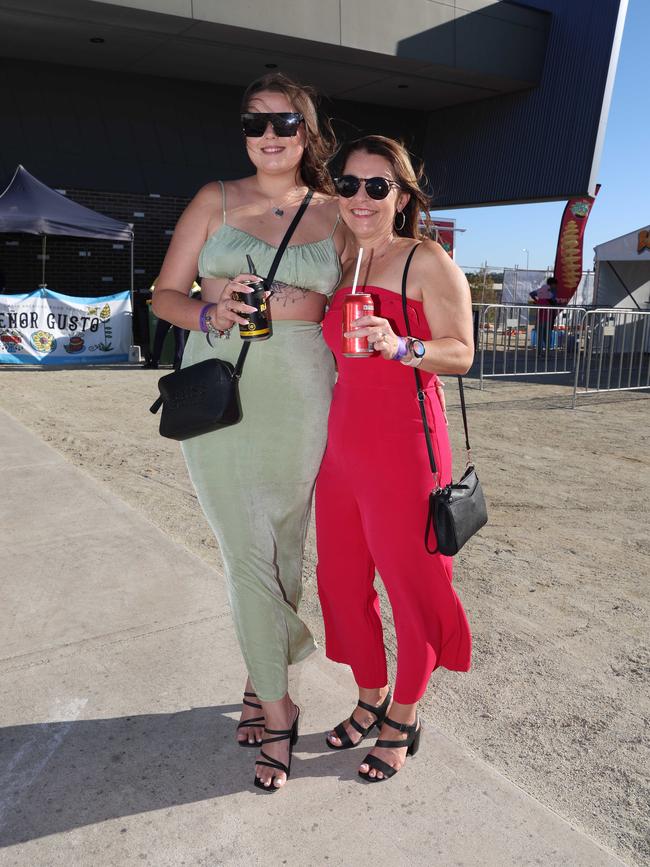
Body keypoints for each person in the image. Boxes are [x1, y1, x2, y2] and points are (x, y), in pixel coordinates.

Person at [152, 73, 347, 791]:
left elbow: (374, 285)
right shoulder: (215, 199)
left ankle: (257, 667)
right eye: (255, 123)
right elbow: (165, 294)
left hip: (302, 390)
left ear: (308, 132)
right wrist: (208, 313)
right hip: (221, 387)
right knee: (244, 548)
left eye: (285, 123)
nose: (269, 135)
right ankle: (280, 704)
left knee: (286, 544)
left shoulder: (335, 211)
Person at [315, 135, 474, 782]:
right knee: (343, 583)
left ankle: (404, 714)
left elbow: (461, 352)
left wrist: (403, 344)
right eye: (348, 184)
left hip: (408, 442)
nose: (360, 196)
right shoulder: (343, 256)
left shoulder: (426, 259)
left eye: (376, 186)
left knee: (412, 585)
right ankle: (371, 693)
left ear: (401, 195)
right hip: (343, 442)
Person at [529, 276, 558, 352]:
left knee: (542, 335)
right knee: (546, 335)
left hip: (542, 317)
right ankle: (545, 351)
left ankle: (541, 351)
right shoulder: (551, 293)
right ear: (551, 284)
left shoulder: (541, 292)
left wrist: (536, 301)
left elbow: (531, 294)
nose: (555, 286)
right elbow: (554, 302)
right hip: (547, 317)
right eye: (555, 284)